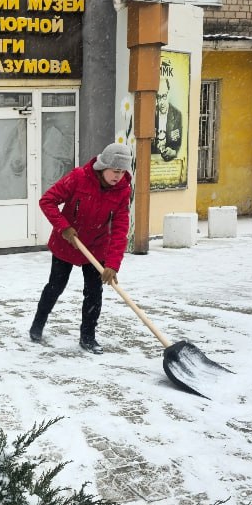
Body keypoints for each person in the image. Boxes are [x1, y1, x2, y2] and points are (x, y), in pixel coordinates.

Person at [29, 143, 133, 354]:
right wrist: (63, 227)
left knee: (94, 293)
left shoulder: (123, 191)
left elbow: (121, 229)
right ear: (103, 167)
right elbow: (47, 201)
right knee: (55, 286)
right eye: (115, 171)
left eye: (122, 172)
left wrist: (113, 264)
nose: (118, 177)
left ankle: (88, 337)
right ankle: (37, 325)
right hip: (67, 244)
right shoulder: (78, 178)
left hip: (96, 248)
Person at [154, 80, 184, 162]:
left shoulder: (177, 115)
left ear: (169, 94)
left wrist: (173, 152)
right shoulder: (151, 114)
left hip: (168, 166)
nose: (161, 102)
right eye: (159, 97)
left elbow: (176, 144)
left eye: (164, 96)